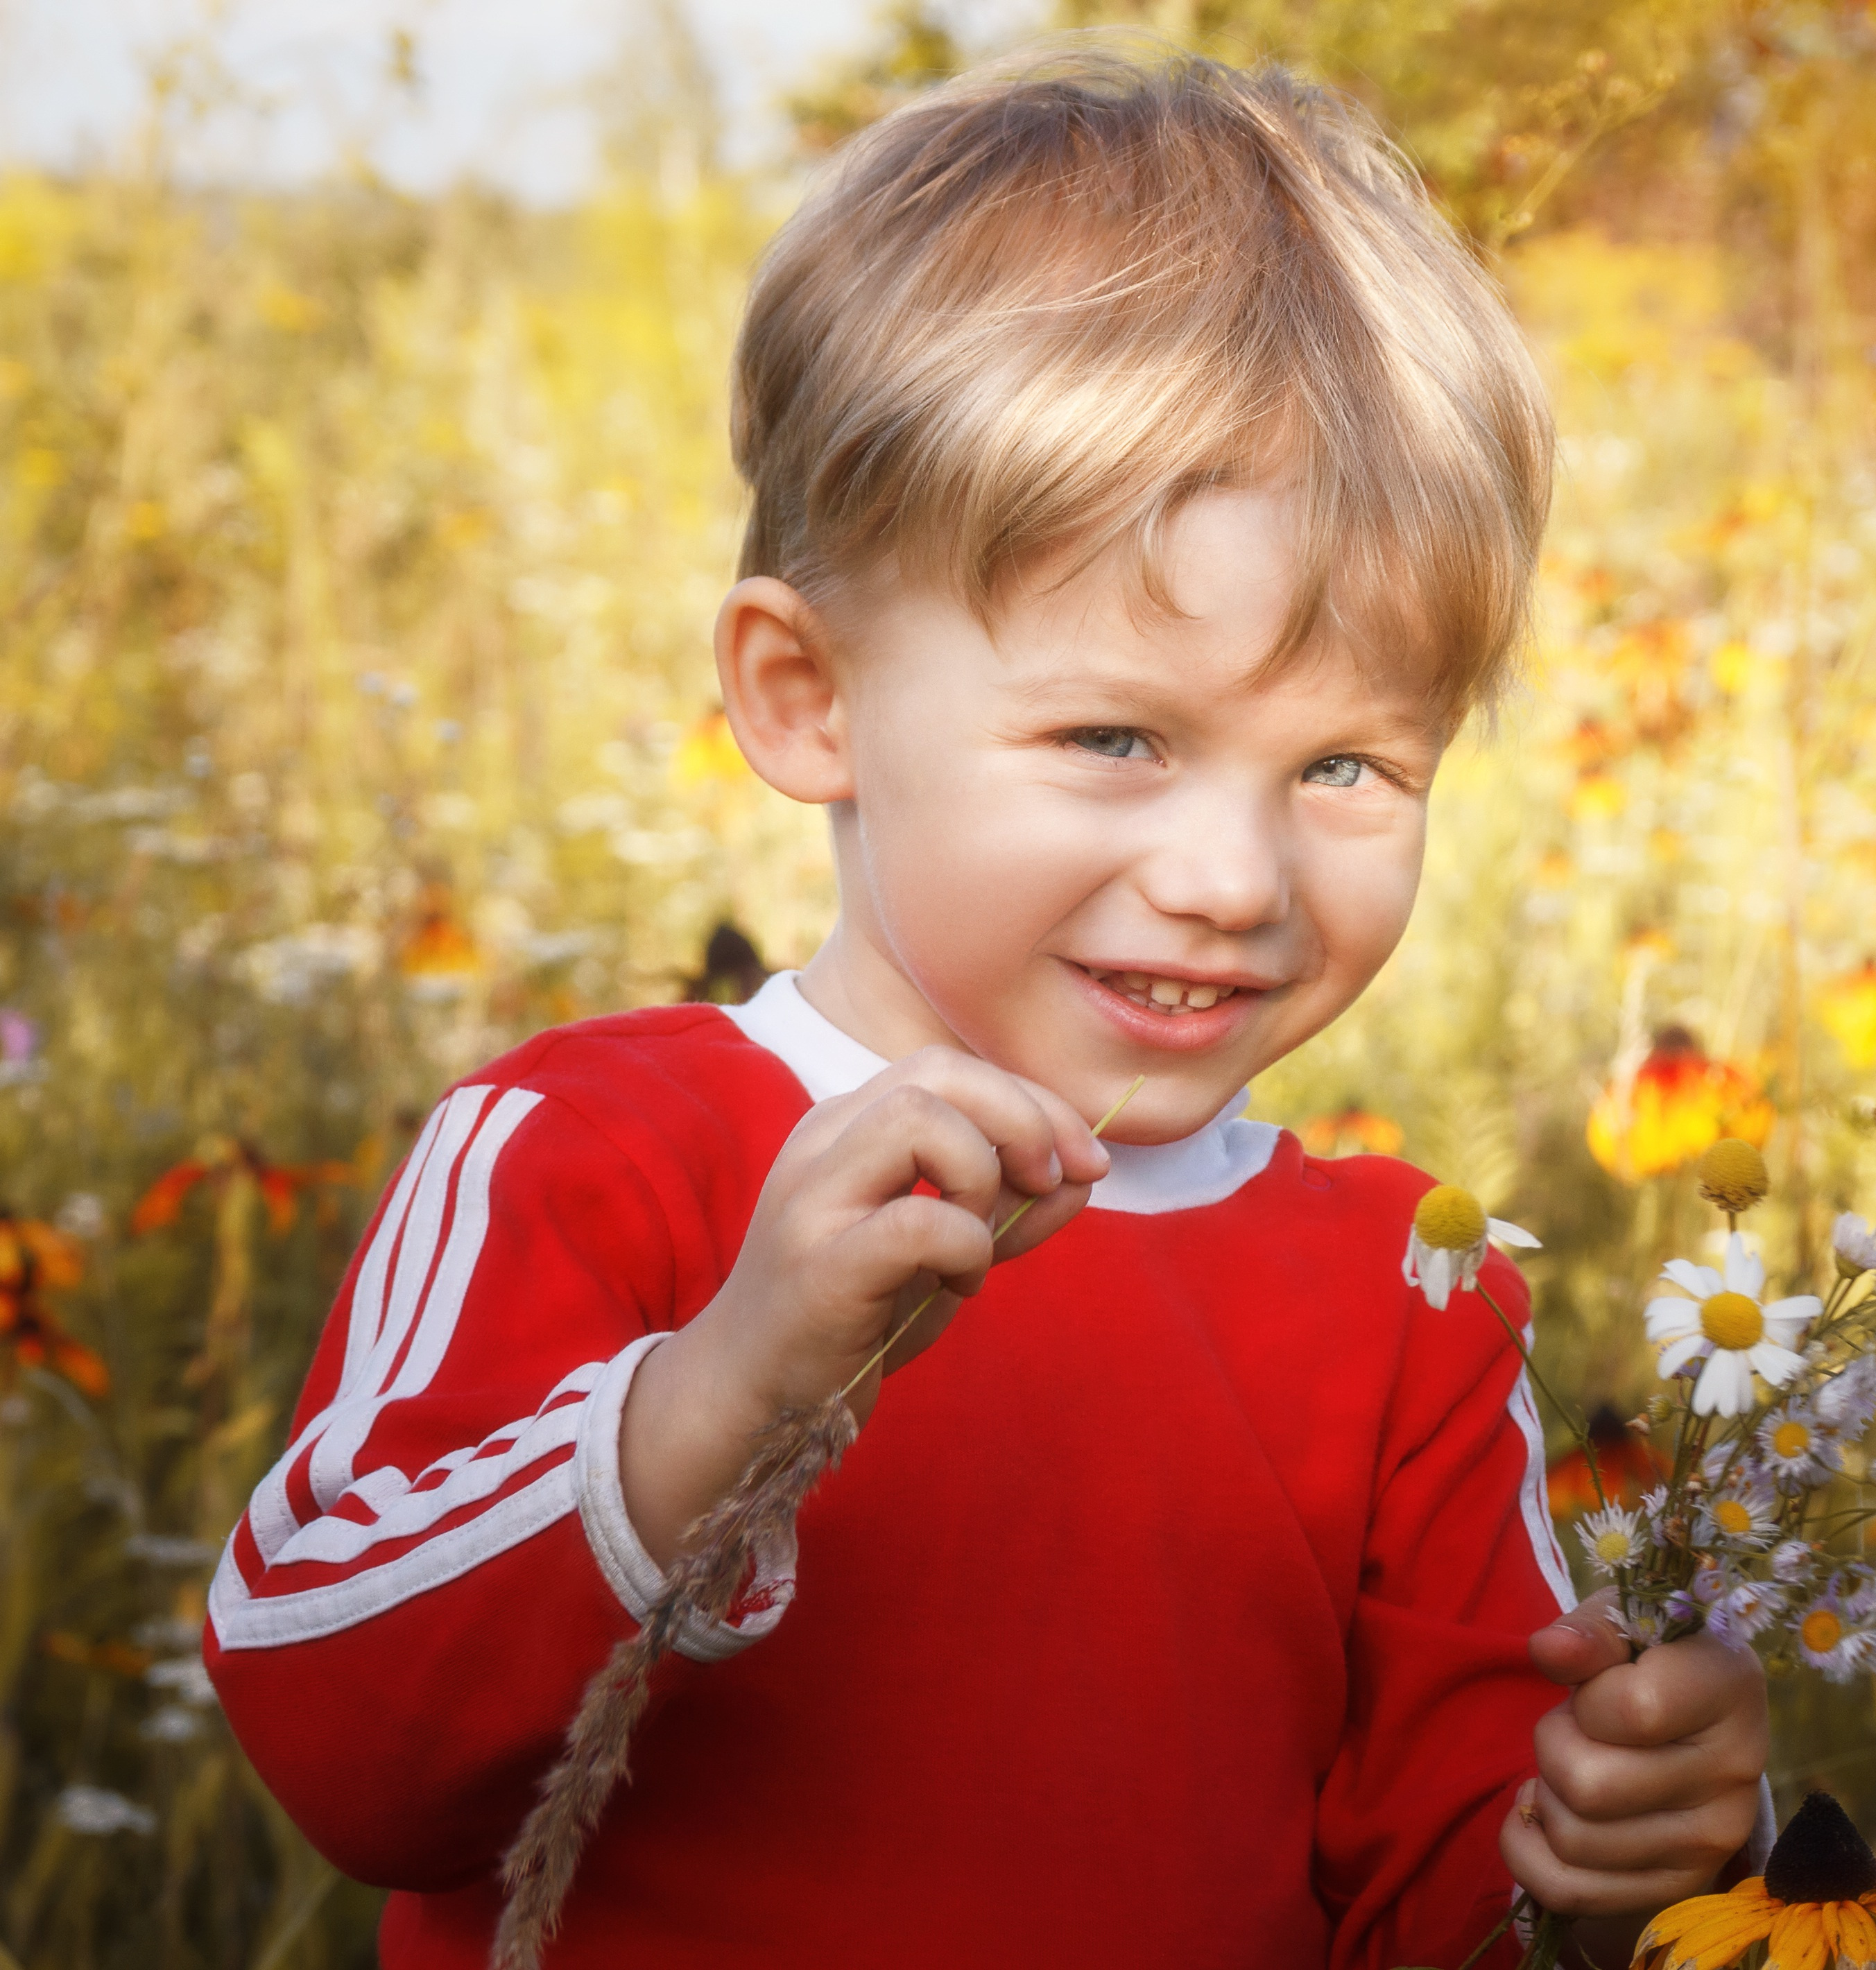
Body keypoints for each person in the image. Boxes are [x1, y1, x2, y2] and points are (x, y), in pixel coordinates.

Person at [205, 36, 1769, 1970]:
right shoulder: (589, 1152)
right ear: (808, 700)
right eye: (1116, 736)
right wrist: (719, 1390)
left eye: (1348, 766)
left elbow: (1454, 1908)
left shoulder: (1407, 1302)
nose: (1236, 877)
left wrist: (1633, 1856)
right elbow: (334, 1737)